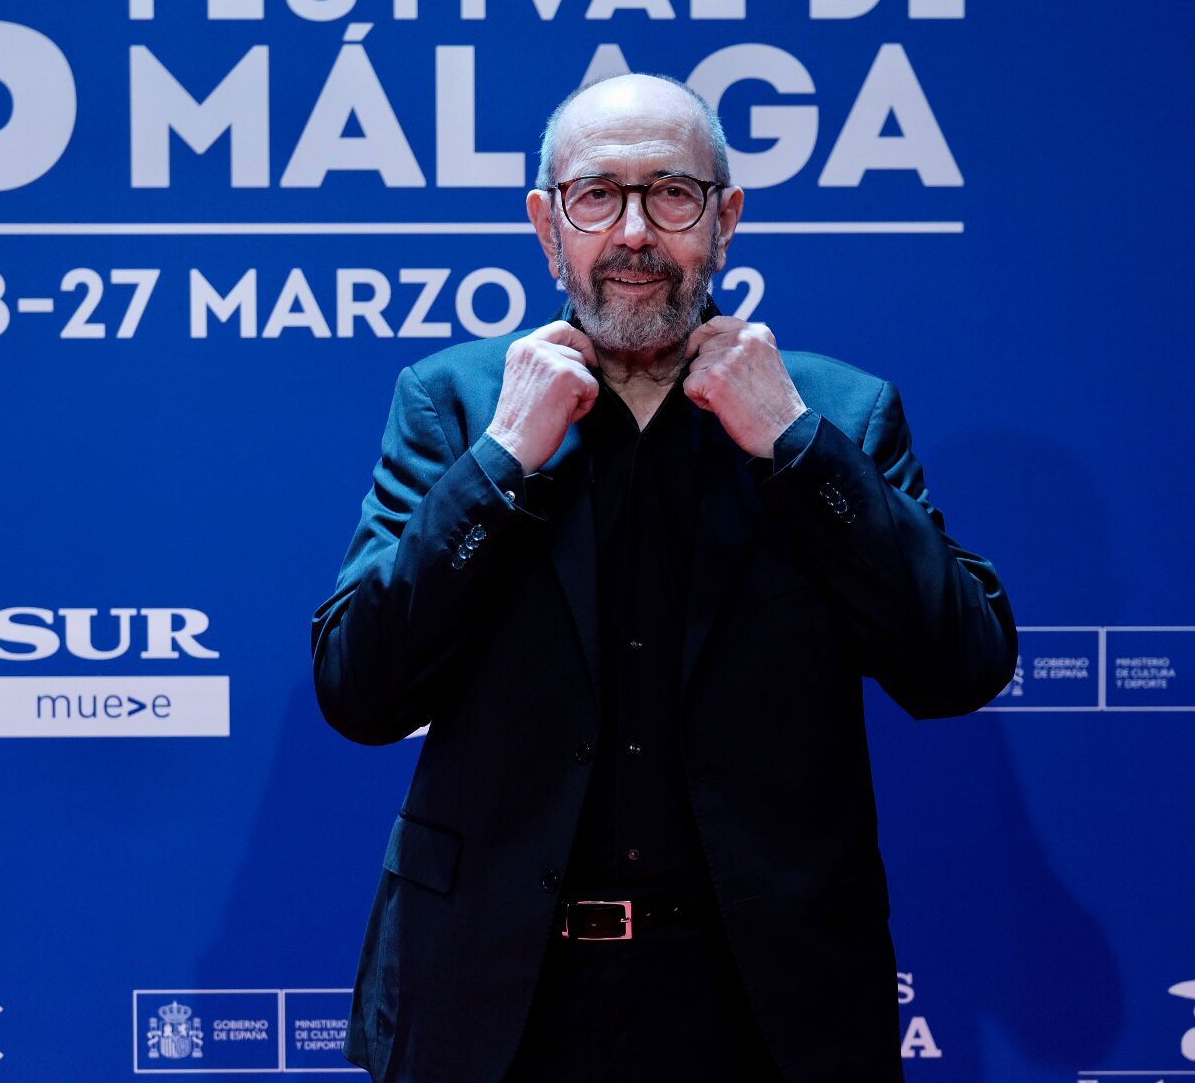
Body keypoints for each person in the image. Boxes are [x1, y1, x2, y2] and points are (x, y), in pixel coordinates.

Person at [310, 73, 1017, 1082]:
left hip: (764, 1008)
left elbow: (961, 664)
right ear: (547, 226)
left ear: (726, 221)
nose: (635, 231)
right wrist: (503, 459)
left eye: (672, 195)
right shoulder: (457, 406)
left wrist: (797, 445)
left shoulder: (836, 413)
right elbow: (359, 687)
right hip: (497, 1001)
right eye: (596, 196)